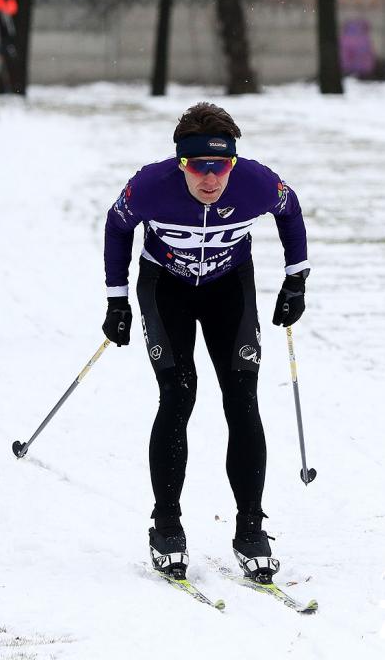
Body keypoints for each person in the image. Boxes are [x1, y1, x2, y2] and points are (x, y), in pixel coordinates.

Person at [102, 102, 310, 583]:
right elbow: (117, 227)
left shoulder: (256, 181)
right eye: (199, 167)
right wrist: (116, 301)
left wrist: (296, 281)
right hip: (165, 286)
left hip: (228, 287)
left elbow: (290, 210)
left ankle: (251, 528)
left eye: (221, 166)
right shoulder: (151, 185)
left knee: (242, 399)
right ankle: (167, 524)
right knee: (179, 395)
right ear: (181, 163)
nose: (211, 178)